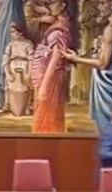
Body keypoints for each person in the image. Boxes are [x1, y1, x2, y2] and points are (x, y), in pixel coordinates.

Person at [63, 0, 112, 133]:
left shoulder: (111, 29)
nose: (99, 7)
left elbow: (103, 63)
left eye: (102, 3)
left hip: (108, 88)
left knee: (107, 129)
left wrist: (76, 59)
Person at [30, 0, 70, 134]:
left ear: (63, 5)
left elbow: (54, 60)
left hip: (50, 78)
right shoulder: (56, 25)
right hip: (45, 75)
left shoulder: (59, 31)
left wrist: (44, 87)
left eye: (53, 3)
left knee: (46, 116)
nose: (50, 6)